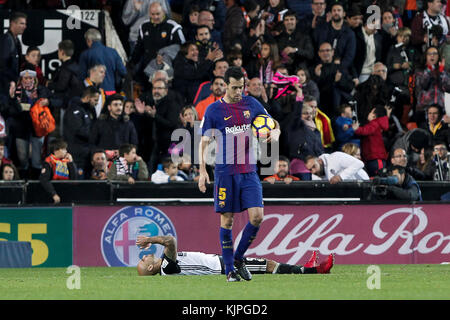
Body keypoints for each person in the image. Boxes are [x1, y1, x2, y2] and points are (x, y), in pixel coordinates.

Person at [198, 66, 281, 282]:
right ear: (225, 85)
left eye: (241, 87)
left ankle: (237, 258)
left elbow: (272, 123)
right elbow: (204, 142)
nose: (238, 92)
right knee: (227, 221)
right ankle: (229, 271)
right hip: (225, 173)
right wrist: (202, 170)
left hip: (249, 171)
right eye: (234, 87)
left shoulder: (251, 103)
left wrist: (275, 131)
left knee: (257, 216)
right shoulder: (214, 110)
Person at [136, 234, 335, 276]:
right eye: (144, 261)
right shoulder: (166, 268)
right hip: (221, 267)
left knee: (267, 264)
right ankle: (314, 271)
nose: (144, 257)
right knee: (268, 265)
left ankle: (306, 268)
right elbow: (170, 240)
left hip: (218, 263)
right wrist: (150, 240)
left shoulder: (165, 266)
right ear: (151, 268)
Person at [129, 2, 186, 85]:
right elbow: (139, 48)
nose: (155, 17)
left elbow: (182, 48)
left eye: (158, 14)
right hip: (148, 70)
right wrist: (131, 63)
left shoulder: (173, 27)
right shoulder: (144, 26)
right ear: (149, 13)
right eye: (153, 14)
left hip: (167, 71)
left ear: (163, 11)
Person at [63, 86, 100, 178]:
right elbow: (79, 130)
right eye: (95, 100)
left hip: (87, 153)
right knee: (78, 181)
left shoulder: (89, 110)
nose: (97, 103)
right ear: (87, 98)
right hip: (77, 154)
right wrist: (96, 135)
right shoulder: (74, 110)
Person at [79, 28, 127, 95]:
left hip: (93, 94)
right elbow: (123, 72)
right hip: (111, 93)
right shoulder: (113, 52)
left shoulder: (85, 54)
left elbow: (81, 76)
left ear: (89, 40)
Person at [354, 106, 391, 177]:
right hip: (373, 159)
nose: (369, 113)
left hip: (376, 159)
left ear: (374, 115)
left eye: (371, 112)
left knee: (379, 180)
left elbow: (365, 131)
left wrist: (356, 129)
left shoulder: (374, 123)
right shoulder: (376, 124)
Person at [39, 139, 77, 204]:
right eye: (64, 149)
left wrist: (71, 162)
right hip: (53, 196)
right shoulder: (48, 162)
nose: (66, 151)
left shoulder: (67, 161)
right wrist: (53, 194)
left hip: (67, 194)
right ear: (56, 150)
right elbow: (44, 180)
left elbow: (74, 179)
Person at [0, 11, 27, 95]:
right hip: (4, 86)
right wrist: (10, 82)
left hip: (11, 85)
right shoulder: (7, 40)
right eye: (21, 23)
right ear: (12, 23)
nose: (24, 26)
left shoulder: (16, 41)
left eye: (25, 24)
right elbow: (2, 65)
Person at [305, 151, 370, 183]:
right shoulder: (315, 175)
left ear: (320, 161)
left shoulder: (336, 157)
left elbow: (359, 164)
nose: (313, 171)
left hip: (363, 185)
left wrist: (340, 176)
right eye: (310, 170)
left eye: (314, 166)